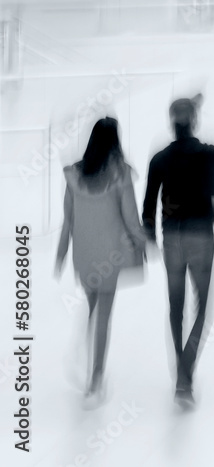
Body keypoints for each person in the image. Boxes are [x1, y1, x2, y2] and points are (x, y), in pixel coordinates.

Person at [55, 117, 149, 406]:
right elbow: (131, 218)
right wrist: (144, 243)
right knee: (104, 317)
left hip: (84, 255)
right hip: (111, 255)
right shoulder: (120, 175)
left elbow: (68, 220)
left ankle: (86, 363)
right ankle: (95, 379)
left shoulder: (74, 175)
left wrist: (60, 254)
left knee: (92, 309)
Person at [142, 95, 214, 408]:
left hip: (172, 238)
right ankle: (186, 369)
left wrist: (149, 238)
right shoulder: (211, 154)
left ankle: (181, 375)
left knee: (175, 308)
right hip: (201, 235)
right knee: (203, 306)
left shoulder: (160, 159)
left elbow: (148, 207)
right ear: (194, 122)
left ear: (171, 123)